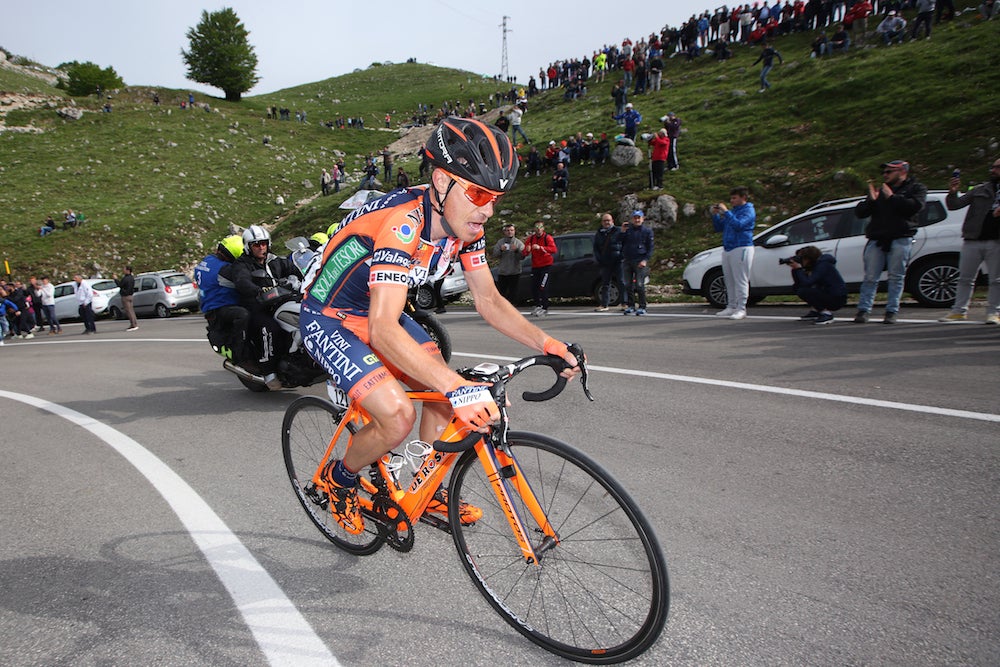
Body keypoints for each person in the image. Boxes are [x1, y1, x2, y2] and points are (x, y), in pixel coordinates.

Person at [298, 118, 579, 534]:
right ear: (443, 181)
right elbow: (383, 329)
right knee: (396, 416)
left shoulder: (466, 229)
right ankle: (340, 479)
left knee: (445, 401)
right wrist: (457, 386)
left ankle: (423, 492)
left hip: (379, 311)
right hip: (330, 316)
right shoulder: (402, 224)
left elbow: (488, 299)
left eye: (496, 199)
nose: (487, 209)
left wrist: (548, 342)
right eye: (480, 194)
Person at [853, 159, 927, 324]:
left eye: (889, 172)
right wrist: (870, 201)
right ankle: (864, 310)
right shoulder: (881, 191)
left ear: (902, 172)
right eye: (884, 172)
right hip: (877, 238)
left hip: (901, 237)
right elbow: (860, 213)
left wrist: (892, 197)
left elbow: (914, 207)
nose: (885, 175)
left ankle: (891, 311)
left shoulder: (916, 188)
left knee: (896, 276)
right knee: (871, 277)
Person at [222, 225, 302, 376]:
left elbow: (294, 269)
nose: (261, 247)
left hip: (279, 301)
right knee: (270, 328)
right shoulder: (242, 264)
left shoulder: (275, 260)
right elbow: (242, 281)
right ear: (248, 246)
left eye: (264, 243)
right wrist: (258, 290)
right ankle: (268, 368)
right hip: (257, 305)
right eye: (256, 245)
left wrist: (311, 275)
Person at [938, 159, 1000, 324]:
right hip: (973, 239)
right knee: (965, 278)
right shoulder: (981, 189)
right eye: (992, 167)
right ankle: (958, 311)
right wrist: (952, 192)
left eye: (997, 167)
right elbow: (955, 205)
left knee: (996, 280)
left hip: (996, 242)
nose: (993, 170)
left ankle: (994, 312)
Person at [196, 235, 250, 360]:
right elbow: (243, 280)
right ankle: (238, 352)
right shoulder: (224, 269)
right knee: (243, 315)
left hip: (210, 303)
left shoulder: (207, 260)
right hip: (219, 306)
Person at [711, 186, 757, 320]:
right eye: (731, 198)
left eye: (734, 198)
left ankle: (741, 308)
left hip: (742, 247)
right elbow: (719, 227)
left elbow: (739, 225)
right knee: (729, 279)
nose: (732, 201)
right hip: (728, 248)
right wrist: (715, 215)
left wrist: (726, 212)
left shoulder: (748, 210)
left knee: (740, 279)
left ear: (743, 197)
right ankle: (731, 306)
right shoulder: (732, 212)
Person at [787, 246, 848, 325]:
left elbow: (808, 282)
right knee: (799, 289)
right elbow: (798, 284)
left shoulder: (823, 265)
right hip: (827, 293)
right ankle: (816, 311)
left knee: (804, 291)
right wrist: (795, 270)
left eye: (801, 258)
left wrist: (799, 269)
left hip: (837, 298)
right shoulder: (813, 266)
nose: (800, 261)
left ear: (808, 258)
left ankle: (826, 314)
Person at [621, 210, 654, 316]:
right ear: (632, 219)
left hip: (640, 261)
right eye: (635, 218)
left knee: (639, 285)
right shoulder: (628, 231)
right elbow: (618, 242)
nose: (637, 220)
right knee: (627, 285)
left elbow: (650, 248)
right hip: (627, 261)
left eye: (638, 218)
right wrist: (622, 232)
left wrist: (645, 260)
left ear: (642, 219)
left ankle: (642, 306)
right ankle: (631, 305)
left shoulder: (647, 231)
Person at [524, 221, 558, 316]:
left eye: (540, 227)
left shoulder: (547, 238)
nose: (538, 230)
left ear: (543, 228)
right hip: (535, 266)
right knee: (534, 287)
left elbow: (554, 249)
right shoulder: (531, 239)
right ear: (534, 229)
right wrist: (527, 250)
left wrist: (541, 248)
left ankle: (545, 307)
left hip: (546, 266)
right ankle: (538, 305)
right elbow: (525, 251)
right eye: (536, 228)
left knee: (543, 287)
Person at [593, 212, 624, 312]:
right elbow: (596, 248)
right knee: (605, 284)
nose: (607, 222)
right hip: (605, 262)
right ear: (602, 222)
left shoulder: (618, 231)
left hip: (618, 261)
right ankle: (604, 304)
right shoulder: (599, 233)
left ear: (612, 221)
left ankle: (625, 303)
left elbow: (624, 244)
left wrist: (622, 256)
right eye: (605, 221)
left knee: (621, 282)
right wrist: (600, 259)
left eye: (608, 220)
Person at [491, 223, 525, 303]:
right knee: (502, 293)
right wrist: (501, 250)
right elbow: (494, 255)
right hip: (503, 272)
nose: (510, 232)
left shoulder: (518, 243)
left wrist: (517, 250)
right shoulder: (500, 242)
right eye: (507, 230)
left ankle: (512, 308)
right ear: (504, 232)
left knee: (513, 293)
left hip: (515, 272)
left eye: (511, 230)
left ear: (514, 231)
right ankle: (502, 308)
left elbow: (523, 256)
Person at [115, 265, 139, 331]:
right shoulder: (131, 278)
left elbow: (120, 285)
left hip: (126, 296)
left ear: (128, 270)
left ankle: (133, 325)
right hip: (130, 295)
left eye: (124, 269)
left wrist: (115, 279)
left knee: (128, 311)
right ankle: (134, 323)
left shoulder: (126, 278)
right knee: (131, 310)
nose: (123, 270)